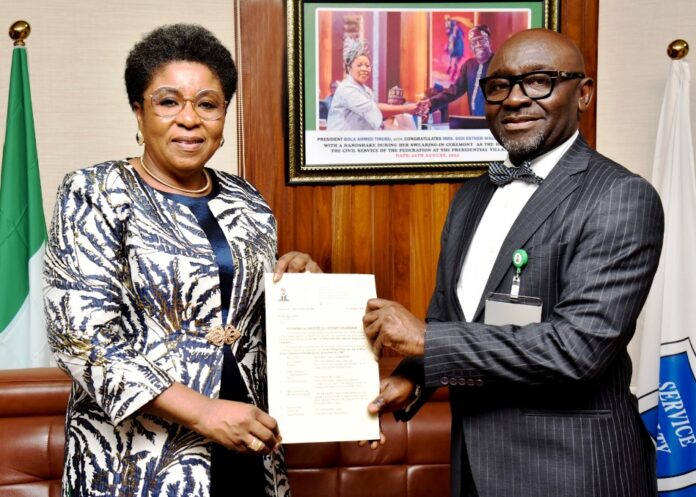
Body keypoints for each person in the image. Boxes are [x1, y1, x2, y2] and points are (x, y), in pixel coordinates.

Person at [363, 28, 663, 497]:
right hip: (474, 468)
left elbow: (576, 348)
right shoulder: (470, 197)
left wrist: (426, 341)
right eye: (499, 86)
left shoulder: (620, 196)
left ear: (583, 93)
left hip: (574, 473)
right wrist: (413, 375)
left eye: (539, 81)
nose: (516, 100)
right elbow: (455, 318)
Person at [44, 24, 320, 497]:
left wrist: (298, 278)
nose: (189, 119)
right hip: (135, 461)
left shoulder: (246, 199)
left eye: (207, 104)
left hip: (250, 442)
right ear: (139, 110)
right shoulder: (93, 191)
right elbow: (82, 338)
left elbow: (244, 314)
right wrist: (205, 411)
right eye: (169, 101)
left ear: (223, 115)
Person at [326, 37, 418, 131]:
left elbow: (375, 115)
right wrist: (407, 108)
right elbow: (372, 109)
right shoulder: (347, 89)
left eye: (367, 65)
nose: (364, 69)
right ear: (349, 68)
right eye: (359, 65)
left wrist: (395, 108)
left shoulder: (367, 90)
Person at [420, 24, 494, 117]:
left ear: (489, 42)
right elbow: (454, 90)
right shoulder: (468, 66)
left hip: (495, 122)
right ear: (471, 47)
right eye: (474, 42)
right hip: (475, 121)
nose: (479, 45)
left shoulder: (500, 63)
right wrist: (431, 103)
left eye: (482, 40)